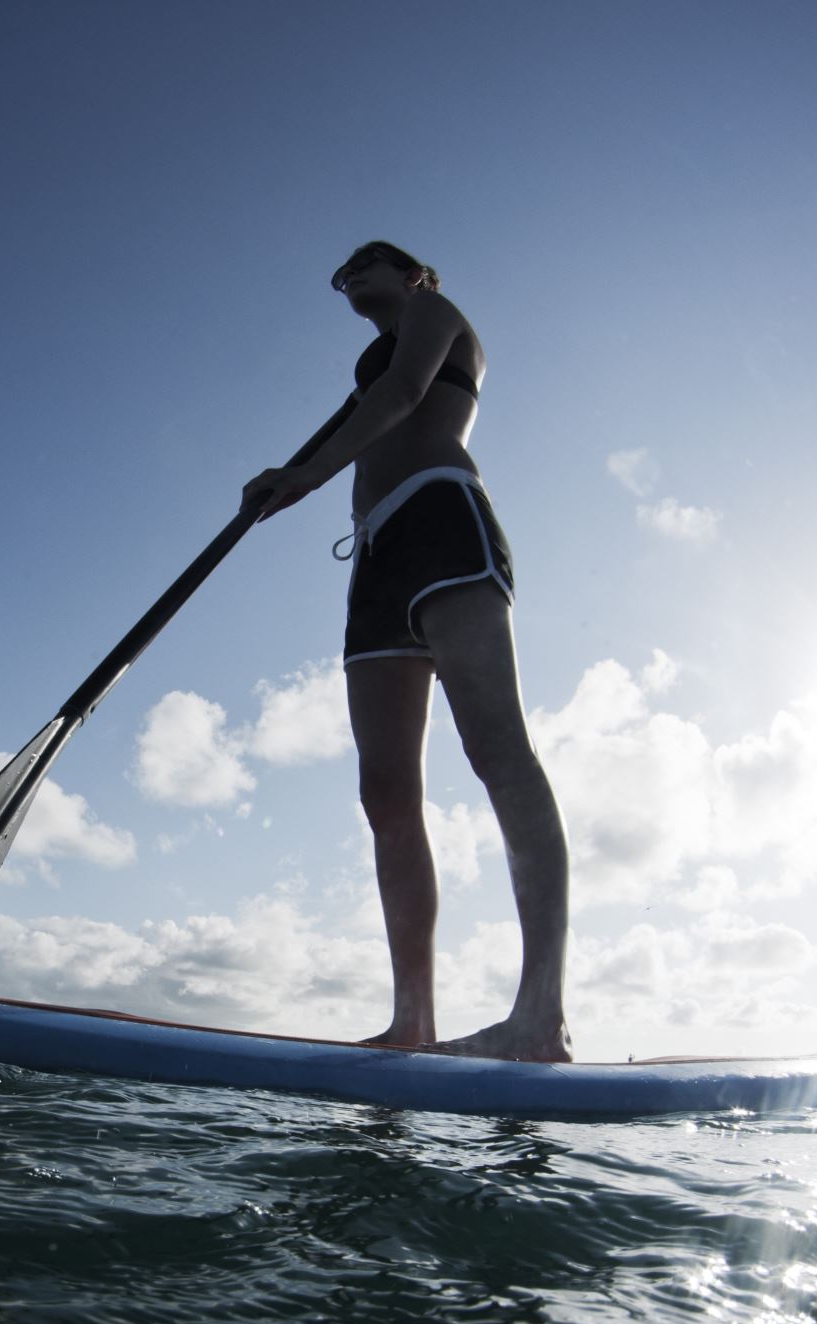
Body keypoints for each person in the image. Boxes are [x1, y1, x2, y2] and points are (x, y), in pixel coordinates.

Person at [241, 241, 572, 1062]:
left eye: (367, 266)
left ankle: (539, 1015)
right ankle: (412, 1020)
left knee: (497, 748)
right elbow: (374, 398)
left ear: (414, 272)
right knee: (386, 795)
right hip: (375, 555)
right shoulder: (368, 361)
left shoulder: (435, 312)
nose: (350, 279)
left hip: (439, 518)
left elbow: (404, 390)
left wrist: (303, 474)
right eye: (342, 275)